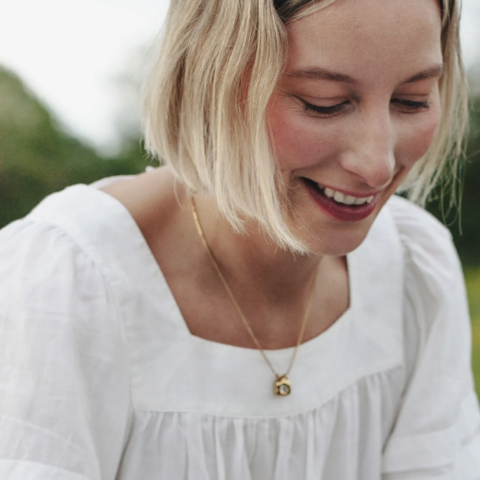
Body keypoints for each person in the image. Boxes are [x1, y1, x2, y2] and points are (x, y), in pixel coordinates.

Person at [0, 0, 479, 478]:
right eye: (323, 103)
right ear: (210, 82)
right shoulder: (66, 284)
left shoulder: (414, 272)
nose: (377, 163)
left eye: (412, 99)